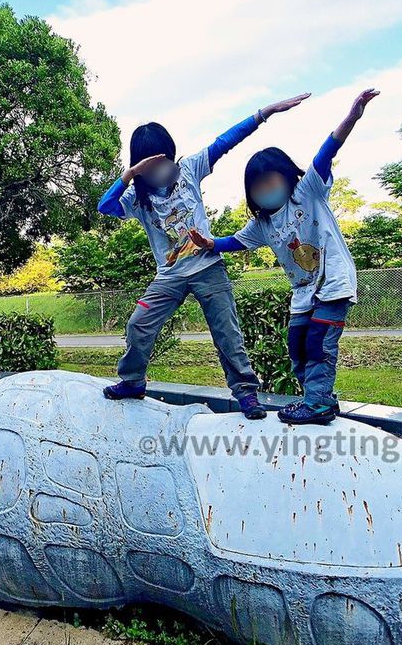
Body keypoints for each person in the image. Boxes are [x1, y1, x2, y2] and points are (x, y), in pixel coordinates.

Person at [98, 93, 311, 419]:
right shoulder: (136, 198)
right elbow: (105, 207)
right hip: (168, 276)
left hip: (207, 267)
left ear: (170, 156)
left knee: (227, 333)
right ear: (141, 167)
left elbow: (225, 141)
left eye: (163, 160)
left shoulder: (189, 169)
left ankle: (246, 394)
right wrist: (130, 175)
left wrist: (264, 113)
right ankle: (132, 382)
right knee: (138, 325)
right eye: (150, 165)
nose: (160, 169)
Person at [189, 88, 380, 425]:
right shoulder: (262, 224)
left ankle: (318, 403)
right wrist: (208, 244)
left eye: (271, 182)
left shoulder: (308, 191)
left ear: (288, 177)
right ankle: (320, 400)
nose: (266, 191)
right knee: (297, 347)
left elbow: (326, 152)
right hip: (304, 292)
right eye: (257, 188)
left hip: (332, 281)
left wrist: (351, 117)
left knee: (319, 343)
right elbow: (234, 242)